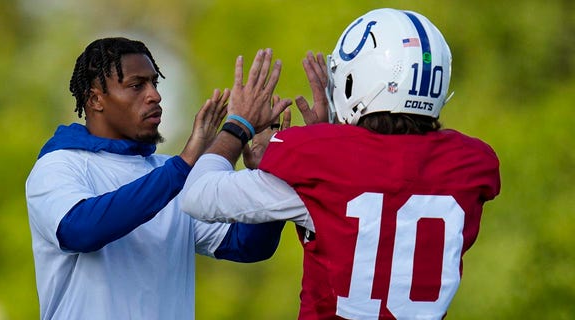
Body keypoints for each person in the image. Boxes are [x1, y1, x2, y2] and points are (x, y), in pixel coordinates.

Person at [181, 8, 501, 320]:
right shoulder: (470, 163)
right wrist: (329, 136)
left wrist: (238, 124)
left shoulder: (320, 159)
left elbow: (198, 194)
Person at [25, 37, 288, 320]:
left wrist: (267, 173)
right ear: (95, 99)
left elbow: (247, 244)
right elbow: (80, 230)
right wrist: (184, 165)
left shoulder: (169, 174)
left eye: (154, 83)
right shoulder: (59, 165)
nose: (155, 95)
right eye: (137, 85)